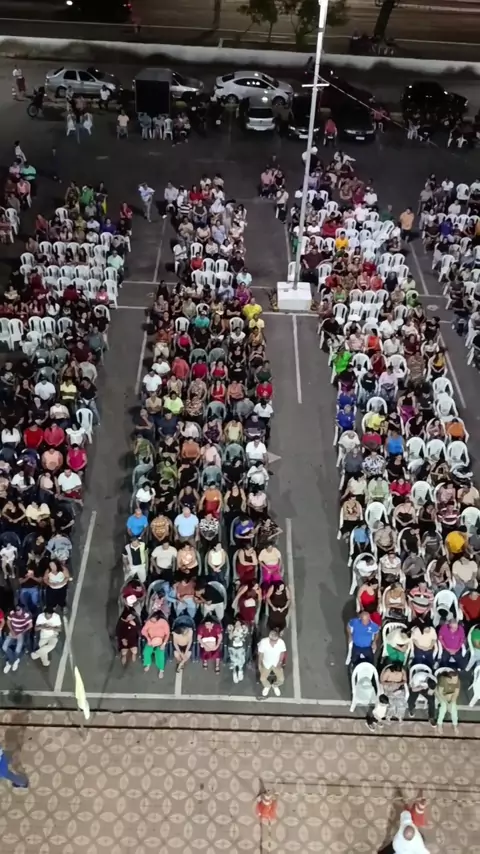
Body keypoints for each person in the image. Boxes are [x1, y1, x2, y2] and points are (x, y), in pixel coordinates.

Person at [257, 629, 286, 697]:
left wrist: (280, 662)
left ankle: (275, 685)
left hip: (276, 664)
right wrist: (259, 664)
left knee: (281, 679)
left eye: (276, 640)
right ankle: (267, 686)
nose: (275, 642)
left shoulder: (281, 642)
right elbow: (260, 654)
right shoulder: (263, 642)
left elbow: (282, 653)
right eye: (273, 640)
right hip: (266, 664)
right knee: (262, 679)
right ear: (269, 638)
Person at [141, 612, 170, 678]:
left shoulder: (163, 622)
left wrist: (164, 644)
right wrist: (148, 638)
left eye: (153, 620)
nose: (152, 621)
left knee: (160, 656)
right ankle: (148, 664)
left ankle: (161, 670)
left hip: (161, 642)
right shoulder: (149, 622)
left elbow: (167, 634)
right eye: (151, 619)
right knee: (146, 652)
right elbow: (143, 631)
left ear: (158, 619)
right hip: (151, 641)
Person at [435, 668, 460, 734]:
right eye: (455, 679)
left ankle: (455, 725)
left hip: (450, 695)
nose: (456, 680)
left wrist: (451, 702)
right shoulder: (443, 680)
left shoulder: (457, 681)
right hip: (441, 694)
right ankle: (439, 724)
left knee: (454, 707)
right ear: (449, 679)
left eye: (457, 679)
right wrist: (447, 703)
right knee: (443, 706)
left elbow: (456, 693)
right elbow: (440, 692)